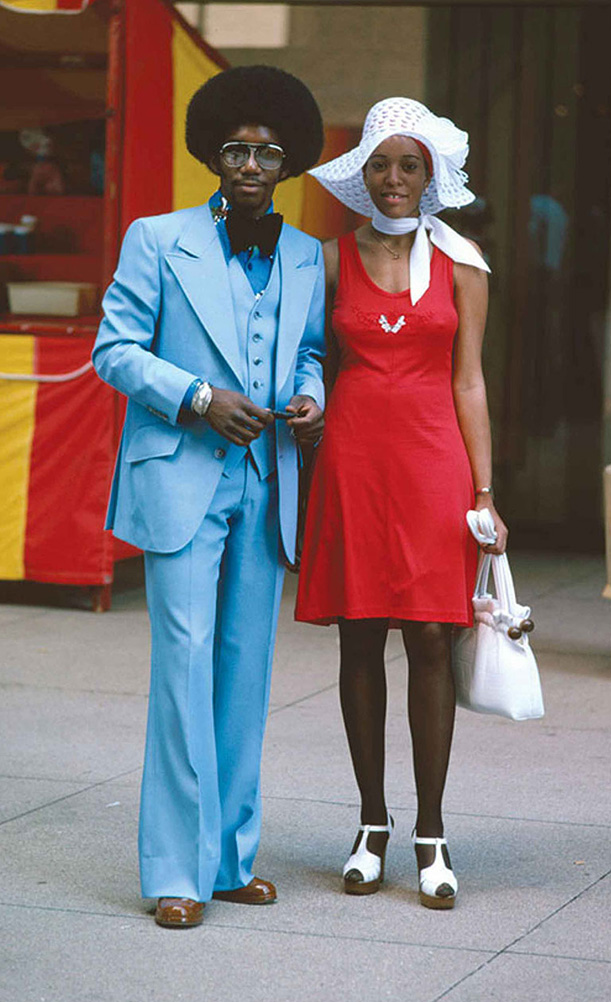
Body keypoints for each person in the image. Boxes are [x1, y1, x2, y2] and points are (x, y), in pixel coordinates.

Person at [92, 66, 325, 928]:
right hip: (180, 476)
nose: (251, 163)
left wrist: (311, 400)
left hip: (266, 483)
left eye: (268, 152)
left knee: (243, 674)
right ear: (213, 156)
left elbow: (308, 353)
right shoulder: (157, 239)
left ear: (289, 161)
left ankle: (228, 860)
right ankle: (174, 875)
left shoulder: (305, 255)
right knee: (183, 669)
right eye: (236, 149)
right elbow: (114, 350)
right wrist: (197, 396)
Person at [295, 97, 507, 910]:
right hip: (353, 462)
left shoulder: (464, 261)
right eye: (381, 163)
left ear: (432, 176)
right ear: (362, 172)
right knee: (360, 639)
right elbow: (311, 356)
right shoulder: (327, 259)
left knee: (429, 637)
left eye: (409, 166)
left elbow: (470, 379)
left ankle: (432, 831)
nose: (393, 179)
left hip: (433, 466)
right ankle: (371, 825)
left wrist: (485, 494)